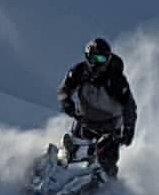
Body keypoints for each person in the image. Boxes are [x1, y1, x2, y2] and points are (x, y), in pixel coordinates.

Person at [58, 37, 137, 177]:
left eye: (101, 59)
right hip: (84, 122)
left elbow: (129, 105)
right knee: (69, 155)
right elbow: (65, 89)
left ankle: (109, 193)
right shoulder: (79, 71)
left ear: (107, 60)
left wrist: (129, 128)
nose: (96, 64)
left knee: (104, 164)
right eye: (93, 59)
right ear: (87, 58)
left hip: (110, 128)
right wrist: (66, 102)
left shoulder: (116, 79)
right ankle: (53, 180)